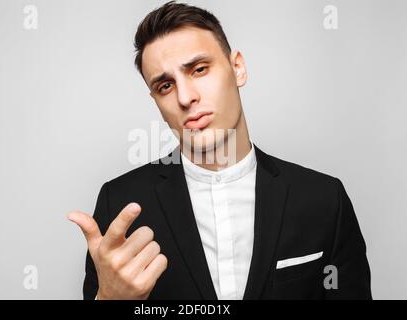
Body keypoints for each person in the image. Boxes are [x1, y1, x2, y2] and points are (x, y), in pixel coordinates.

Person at [68, 1, 371, 300]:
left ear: (237, 68)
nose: (185, 98)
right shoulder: (119, 203)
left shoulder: (324, 199)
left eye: (199, 69)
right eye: (165, 86)